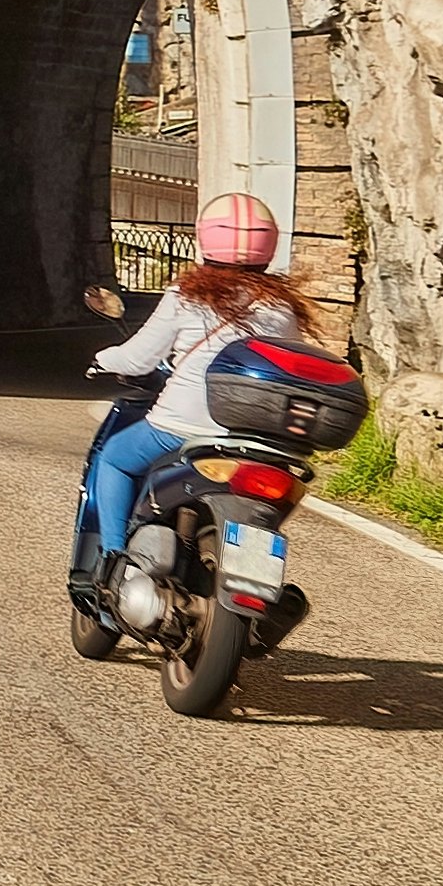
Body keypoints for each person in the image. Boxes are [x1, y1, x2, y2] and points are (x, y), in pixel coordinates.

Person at [72, 194, 310, 590]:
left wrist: (103, 358)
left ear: (206, 238)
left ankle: (116, 567)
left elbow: (139, 359)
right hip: (256, 439)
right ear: (269, 243)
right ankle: (255, 581)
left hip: (181, 428)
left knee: (114, 459)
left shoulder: (188, 295)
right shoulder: (282, 308)